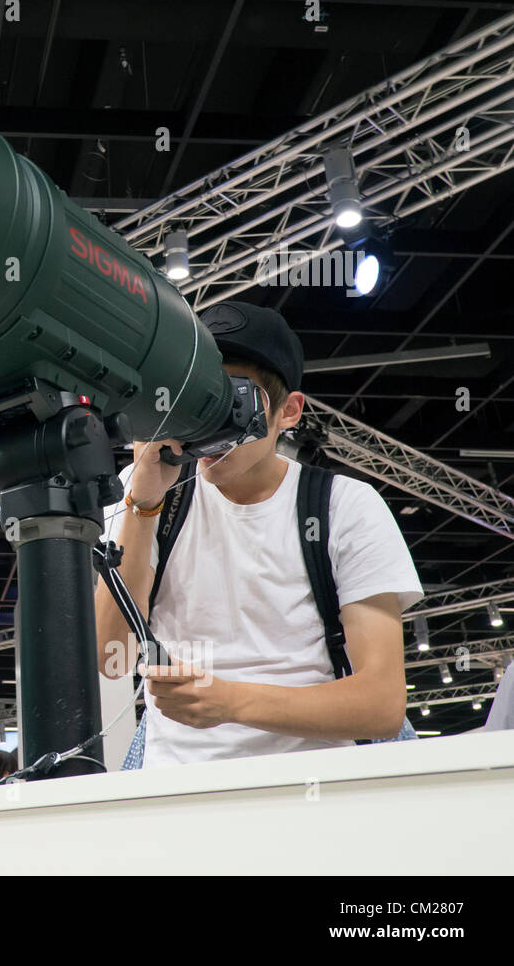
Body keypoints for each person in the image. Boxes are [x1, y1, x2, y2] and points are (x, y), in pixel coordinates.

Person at [95, 301, 423, 768]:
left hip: (321, 774)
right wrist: (144, 507)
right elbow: (111, 660)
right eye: (199, 401)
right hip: (175, 773)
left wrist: (231, 702)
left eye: (232, 401)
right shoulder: (150, 493)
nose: (211, 426)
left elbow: (381, 706)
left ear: (289, 411)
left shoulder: (344, 506)